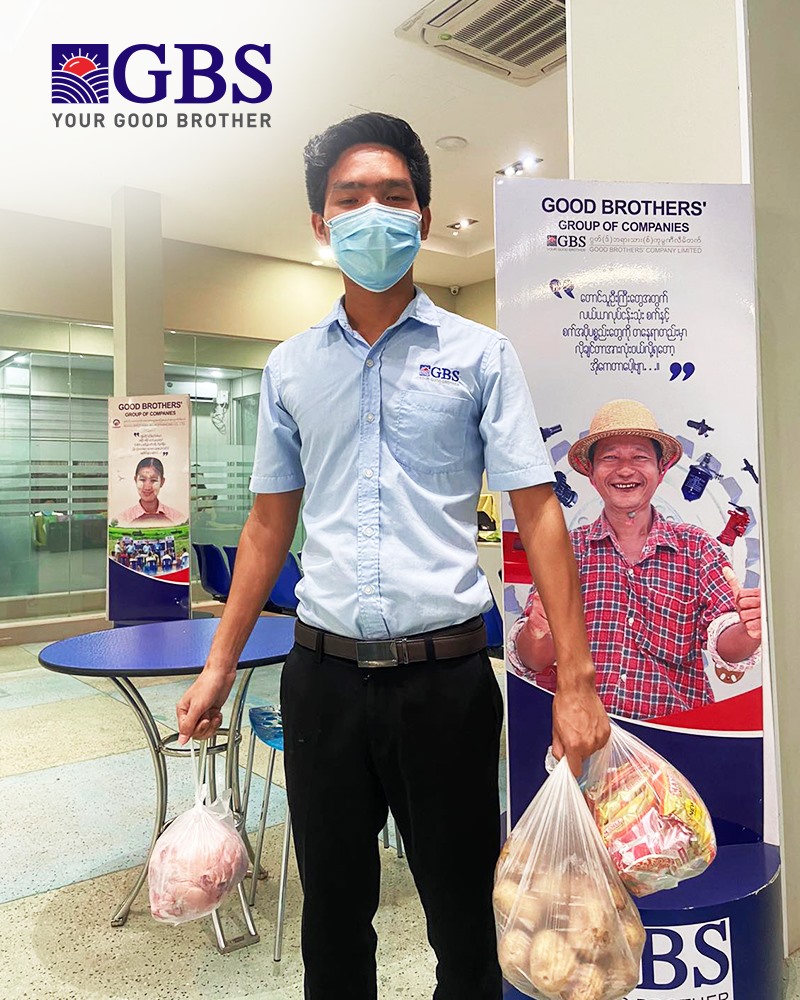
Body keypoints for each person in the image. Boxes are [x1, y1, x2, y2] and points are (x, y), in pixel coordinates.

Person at [175, 112, 608, 1000]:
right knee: (334, 926)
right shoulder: (291, 368)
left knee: (465, 923)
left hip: (446, 684)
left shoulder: (480, 355)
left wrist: (577, 680)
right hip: (322, 681)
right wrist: (219, 665)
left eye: (394, 195)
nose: (373, 211)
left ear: (423, 215)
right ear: (321, 223)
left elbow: (537, 514)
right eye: (350, 198)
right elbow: (267, 526)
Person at [508, 398, 762, 720]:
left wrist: (748, 630)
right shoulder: (565, 551)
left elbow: (727, 643)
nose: (625, 470)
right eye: (610, 458)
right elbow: (534, 660)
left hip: (678, 733)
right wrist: (537, 630)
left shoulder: (697, 548)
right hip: (584, 732)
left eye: (640, 457)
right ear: (591, 474)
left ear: (661, 470)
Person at [117, 457, 187, 527]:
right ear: (135, 480)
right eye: (142, 479)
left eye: (153, 480)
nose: (147, 487)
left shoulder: (177, 519)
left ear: (162, 482)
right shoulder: (123, 520)